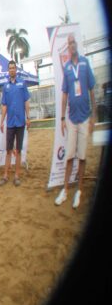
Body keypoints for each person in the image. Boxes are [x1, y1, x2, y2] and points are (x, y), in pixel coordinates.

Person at [55, 33, 96, 209]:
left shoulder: (85, 63)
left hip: (85, 117)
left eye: (73, 42)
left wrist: (94, 116)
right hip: (71, 119)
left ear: (76, 44)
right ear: (67, 46)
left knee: (82, 156)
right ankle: (65, 190)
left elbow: (92, 90)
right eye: (69, 43)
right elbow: (64, 94)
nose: (72, 45)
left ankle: (78, 191)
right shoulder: (66, 68)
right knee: (70, 155)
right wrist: (63, 117)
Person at [0, 60, 31, 186]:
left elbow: (26, 102)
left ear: (16, 70)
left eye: (13, 68)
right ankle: (5, 176)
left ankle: (17, 176)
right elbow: (4, 106)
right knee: (8, 150)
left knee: (18, 150)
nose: (12, 70)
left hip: (20, 123)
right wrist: (1, 122)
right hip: (10, 123)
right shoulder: (6, 87)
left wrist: (28, 117)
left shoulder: (22, 84)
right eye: (10, 68)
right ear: (8, 70)